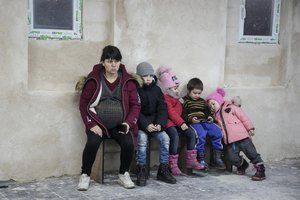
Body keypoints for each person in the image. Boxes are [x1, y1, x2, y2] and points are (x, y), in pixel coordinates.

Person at [77, 45, 141, 190]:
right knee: (92, 143)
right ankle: (85, 175)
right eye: (110, 61)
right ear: (103, 62)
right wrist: (91, 125)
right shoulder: (94, 80)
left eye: (117, 61)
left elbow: (135, 105)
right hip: (98, 124)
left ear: (120, 62)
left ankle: (123, 174)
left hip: (119, 125)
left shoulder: (128, 81)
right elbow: (83, 105)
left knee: (128, 143)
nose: (114, 65)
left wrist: (128, 124)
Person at [206, 88, 266, 181]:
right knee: (232, 157)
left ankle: (261, 170)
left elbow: (243, 117)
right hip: (230, 141)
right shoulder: (215, 115)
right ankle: (243, 164)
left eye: (213, 104)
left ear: (219, 101)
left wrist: (250, 128)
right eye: (210, 106)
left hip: (242, 137)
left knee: (251, 153)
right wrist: (212, 120)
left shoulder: (231, 107)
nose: (212, 107)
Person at [134, 62, 176, 186]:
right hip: (142, 125)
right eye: (145, 75)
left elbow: (162, 109)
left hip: (155, 124)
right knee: (142, 139)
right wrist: (146, 125)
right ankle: (141, 169)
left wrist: (159, 124)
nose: (148, 78)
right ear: (139, 77)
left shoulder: (157, 89)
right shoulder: (136, 90)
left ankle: (163, 169)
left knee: (165, 138)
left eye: (150, 75)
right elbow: (135, 110)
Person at [157, 67, 204, 176]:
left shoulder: (177, 99)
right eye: (174, 88)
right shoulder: (165, 99)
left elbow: (181, 112)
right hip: (169, 123)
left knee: (191, 133)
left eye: (177, 88)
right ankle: (172, 164)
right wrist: (182, 123)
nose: (177, 91)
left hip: (179, 123)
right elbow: (171, 113)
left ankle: (191, 160)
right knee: (175, 136)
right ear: (167, 89)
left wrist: (185, 121)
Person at [182, 78, 226, 169]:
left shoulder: (202, 101)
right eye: (195, 93)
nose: (197, 95)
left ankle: (217, 157)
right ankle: (200, 158)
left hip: (205, 121)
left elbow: (207, 112)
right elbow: (183, 114)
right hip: (194, 122)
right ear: (189, 90)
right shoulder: (184, 101)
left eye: (199, 93)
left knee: (217, 131)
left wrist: (210, 117)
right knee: (201, 134)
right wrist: (191, 119)